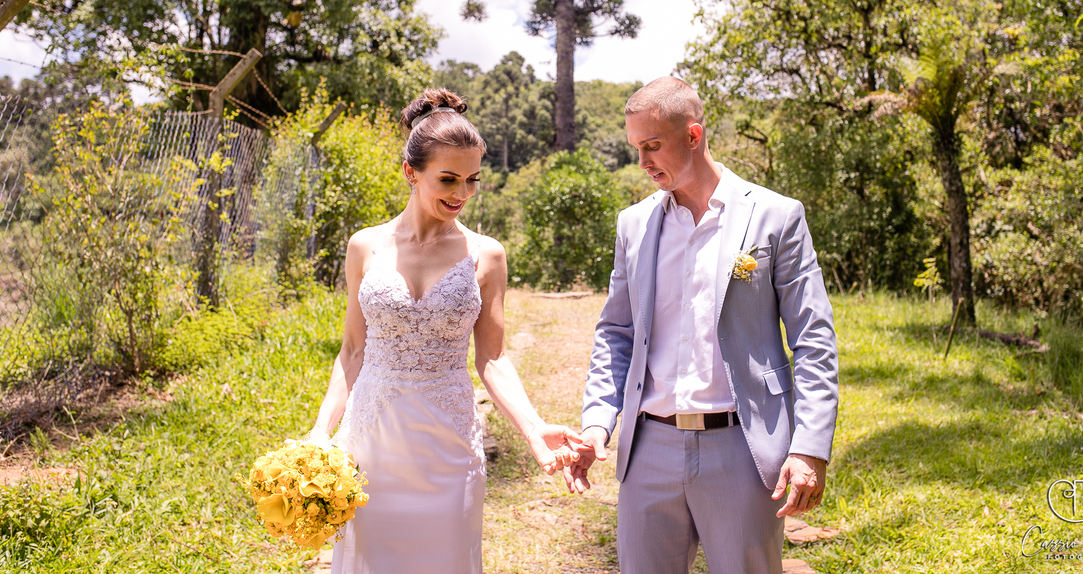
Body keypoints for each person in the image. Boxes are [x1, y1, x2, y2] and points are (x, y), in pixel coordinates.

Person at [564, 77, 840, 574]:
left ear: (693, 135)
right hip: (648, 449)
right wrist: (597, 423)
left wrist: (809, 448)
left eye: (653, 146)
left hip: (743, 449)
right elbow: (616, 333)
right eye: (636, 148)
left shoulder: (776, 216)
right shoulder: (634, 224)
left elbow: (813, 339)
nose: (643, 162)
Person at [305, 88, 582, 574]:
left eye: (473, 180)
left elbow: (492, 358)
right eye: (448, 179)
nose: (462, 194)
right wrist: (318, 433)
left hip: (448, 447)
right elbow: (352, 352)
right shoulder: (363, 247)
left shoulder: (486, 254)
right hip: (371, 446)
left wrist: (535, 429)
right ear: (411, 172)